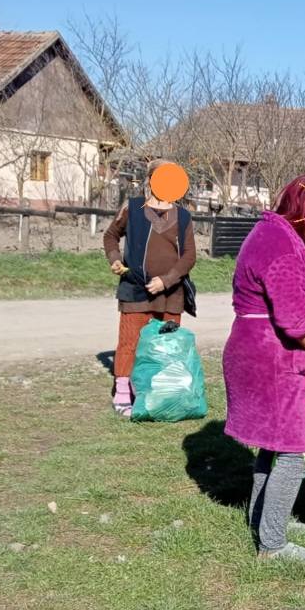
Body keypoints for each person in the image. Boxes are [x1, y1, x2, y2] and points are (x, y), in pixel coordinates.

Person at [222, 174, 305, 564]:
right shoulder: (282, 246)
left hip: (255, 350)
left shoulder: (271, 233)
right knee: (295, 449)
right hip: (270, 358)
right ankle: (272, 544)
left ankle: (264, 517)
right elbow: (293, 320)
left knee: (271, 444)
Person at [104, 158, 197, 418]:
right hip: (135, 289)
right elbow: (110, 236)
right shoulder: (132, 209)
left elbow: (189, 256)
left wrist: (166, 280)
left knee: (166, 346)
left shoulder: (183, 216)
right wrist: (114, 259)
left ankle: (160, 393)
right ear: (150, 180)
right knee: (129, 343)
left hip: (171, 293)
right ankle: (123, 393)